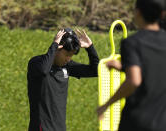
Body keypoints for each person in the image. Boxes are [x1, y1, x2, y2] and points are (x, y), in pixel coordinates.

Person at [97, 0, 166, 131]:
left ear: (138, 12)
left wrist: (107, 104)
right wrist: (124, 67)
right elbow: (155, 67)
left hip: (136, 121)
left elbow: (134, 81)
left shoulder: (132, 42)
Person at [27, 28, 99, 131]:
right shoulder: (36, 63)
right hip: (42, 128)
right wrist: (54, 46)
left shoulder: (67, 66)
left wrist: (90, 48)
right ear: (58, 48)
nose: (68, 59)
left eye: (71, 56)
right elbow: (43, 71)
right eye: (67, 55)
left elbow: (96, 71)